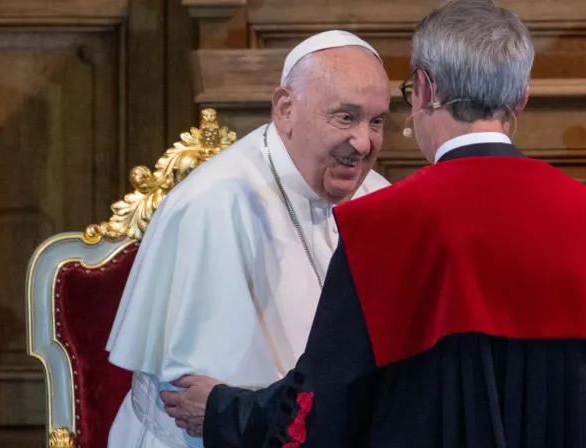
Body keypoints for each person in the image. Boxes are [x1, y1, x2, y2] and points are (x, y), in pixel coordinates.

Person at [159, 1, 586, 447]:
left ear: (424, 89)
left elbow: (323, 411)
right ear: (521, 98)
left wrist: (223, 411)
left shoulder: (383, 225)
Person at [105, 30, 391, 448]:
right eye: (345, 117)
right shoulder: (212, 207)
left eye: (377, 121)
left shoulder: (379, 200)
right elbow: (197, 406)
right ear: (285, 109)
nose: (364, 142)